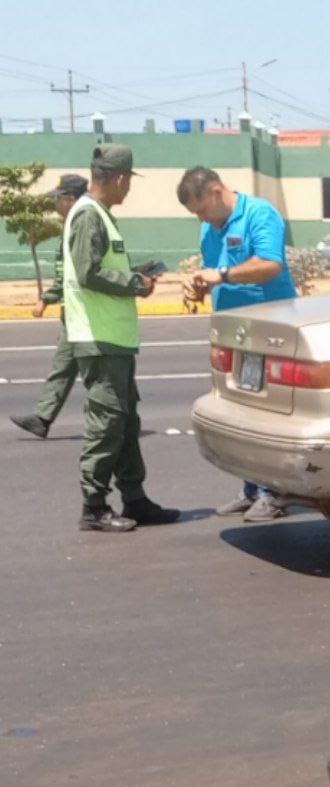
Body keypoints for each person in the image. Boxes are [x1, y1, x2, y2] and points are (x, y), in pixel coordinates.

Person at [64, 144, 178, 533]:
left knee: (126, 422)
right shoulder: (88, 216)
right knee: (106, 423)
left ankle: (135, 499)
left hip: (115, 339)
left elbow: (100, 269)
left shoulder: (102, 216)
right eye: (128, 181)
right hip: (98, 339)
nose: (128, 189)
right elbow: (87, 272)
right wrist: (134, 283)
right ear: (118, 178)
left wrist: (136, 276)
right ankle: (93, 507)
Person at [177, 166, 297, 523]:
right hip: (232, 331)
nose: (200, 218)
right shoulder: (209, 227)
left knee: (268, 413)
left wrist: (224, 275)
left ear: (216, 192)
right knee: (240, 411)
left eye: (200, 209)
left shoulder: (260, 214)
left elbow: (270, 264)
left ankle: (273, 493)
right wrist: (200, 285)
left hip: (268, 327)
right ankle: (251, 489)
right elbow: (214, 270)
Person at [10, 174, 90, 440]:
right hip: (74, 312)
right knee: (63, 366)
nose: (55, 205)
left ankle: (120, 420)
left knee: (101, 375)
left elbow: (77, 272)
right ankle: (42, 419)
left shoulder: (82, 225)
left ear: (69, 199)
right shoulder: (71, 225)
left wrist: (46, 297)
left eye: (58, 199)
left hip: (87, 313)